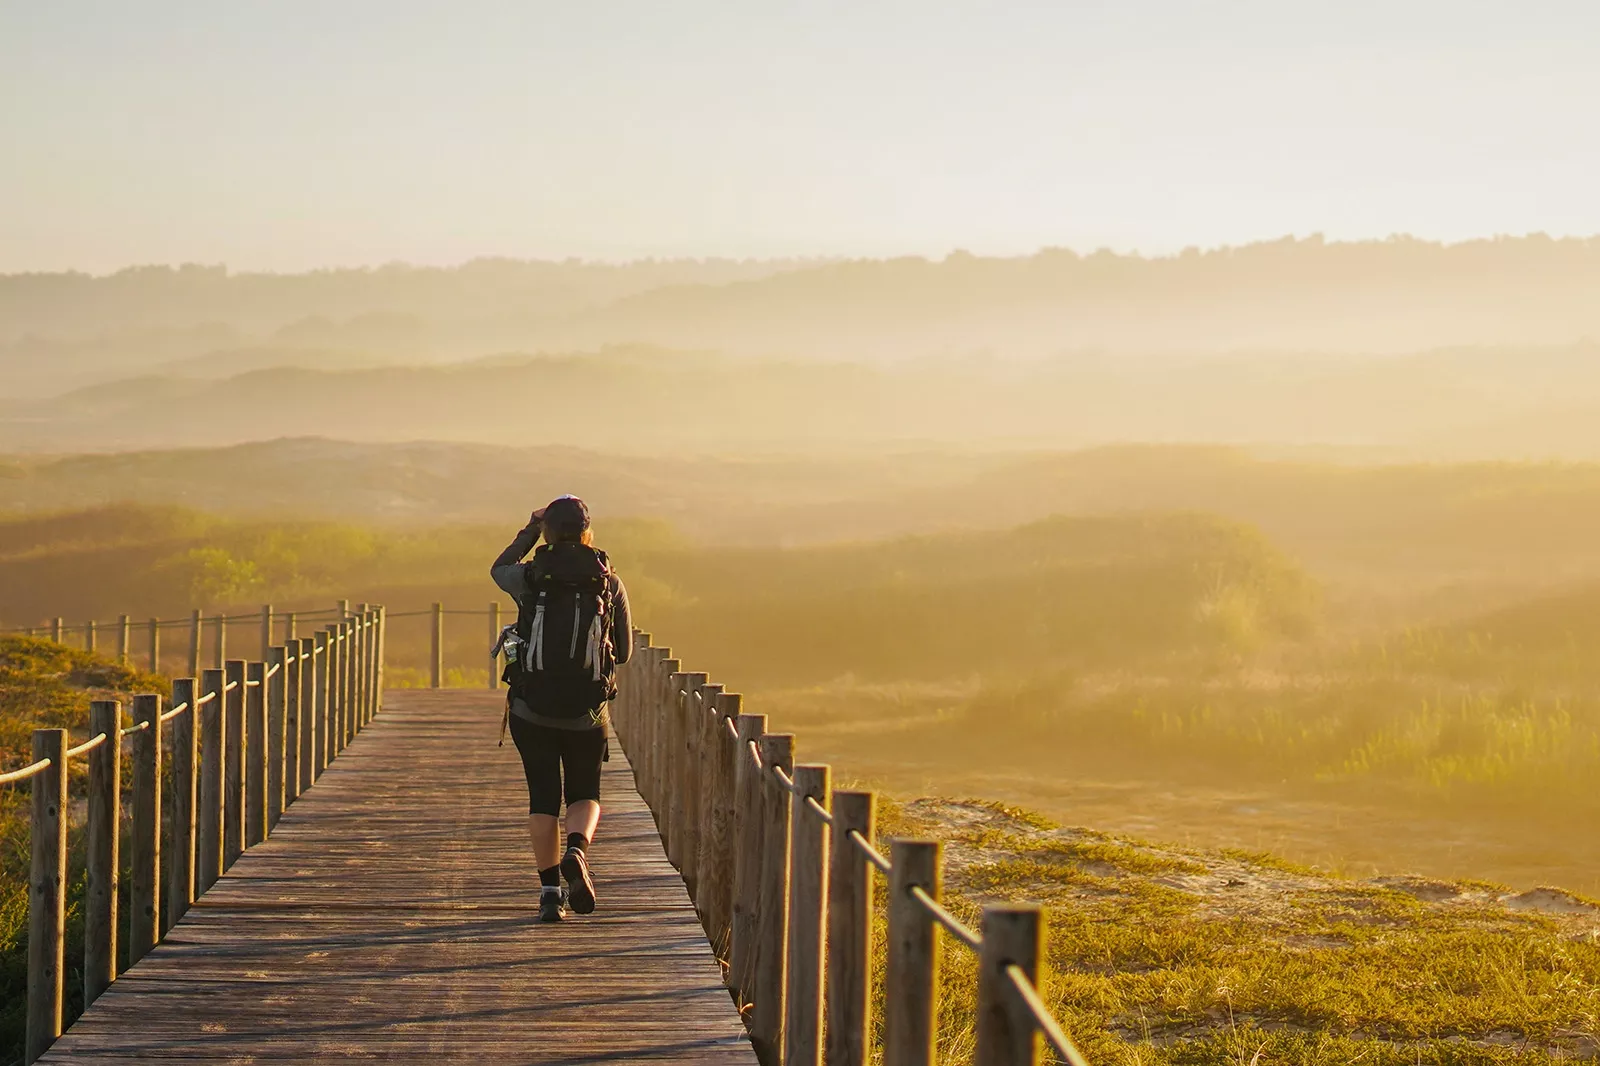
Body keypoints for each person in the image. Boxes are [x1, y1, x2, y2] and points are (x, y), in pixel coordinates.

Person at [490, 495, 632, 922]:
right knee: (585, 791)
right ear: (588, 530)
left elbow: (498, 569)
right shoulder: (609, 581)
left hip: (531, 708)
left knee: (542, 799)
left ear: (548, 531)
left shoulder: (530, 575)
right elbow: (622, 652)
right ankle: (577, 850)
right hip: (587, 712)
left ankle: (551, 894)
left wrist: (528, 530)